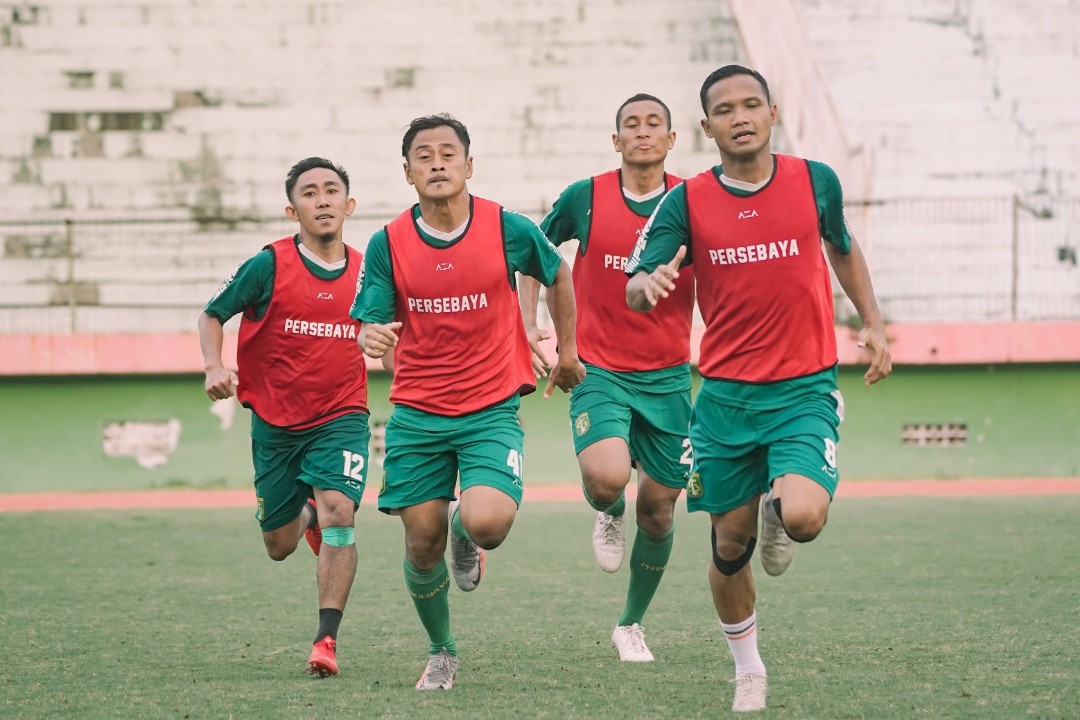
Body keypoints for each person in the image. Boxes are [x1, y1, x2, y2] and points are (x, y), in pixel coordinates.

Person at [625, 65, 892, 712]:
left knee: (803, 516)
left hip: (802, 390)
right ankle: (749, 668)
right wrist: (646, 287)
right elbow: (636, 280)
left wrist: (874, 324)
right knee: (727, 547)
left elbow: (843, 247)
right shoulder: (685, 202)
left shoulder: (813, 180)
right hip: (723, 403)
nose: (740, 116)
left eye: (752, 105)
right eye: (725, 109)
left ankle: (781, 509)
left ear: (772, 112)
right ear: (706, 126)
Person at [351, 114, 585, 691]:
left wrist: (568, 349)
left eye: (447, 154)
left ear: (468, 166)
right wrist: (371, 337)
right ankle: (441, 651)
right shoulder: (388, 243)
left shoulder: (506, 227)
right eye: (423, 156)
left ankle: (467, 529)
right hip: (418, 413)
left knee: (489, 524)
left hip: (490, 408)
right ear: (407, 172)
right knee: (419, 542)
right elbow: (376, 329)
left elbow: (557, 273)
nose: (436, 163)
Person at [519, 94, 695, 663]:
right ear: (615, 140)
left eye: (654, 125)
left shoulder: (694, 201)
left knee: (663, 510)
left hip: (669, 376)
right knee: (606, 478)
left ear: (672, 139)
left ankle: (630, 625)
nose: (643, 133)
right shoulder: (584, 196)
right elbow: (532, 254)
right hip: (599, 369)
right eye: (630, 125)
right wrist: (530, 324)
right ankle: (606, 509)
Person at [198, 157, 370, 679]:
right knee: (279, 545)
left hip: (343, 414)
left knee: (342, 508)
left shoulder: (370, 269)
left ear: (349, 204)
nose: (322, 200)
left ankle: (326, 640)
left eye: (331, 190)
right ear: (291, 208)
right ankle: (306, 515)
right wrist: (213, 364)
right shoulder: (268, 264)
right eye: (310, 192)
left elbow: (396, 326)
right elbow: (211, 314)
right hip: (275, 425)